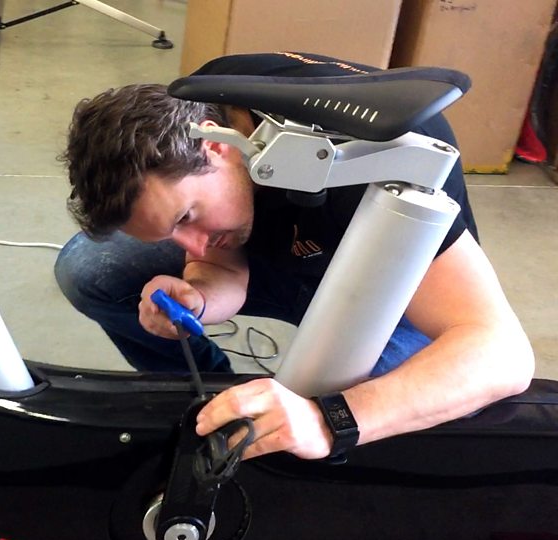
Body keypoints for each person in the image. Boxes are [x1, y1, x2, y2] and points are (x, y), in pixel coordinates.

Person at [54, 52, 534, 461]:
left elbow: (502, 355)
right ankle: (220, 398)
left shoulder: (372, 167)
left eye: (185, 218)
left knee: (369, 422)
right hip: (297, 256)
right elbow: (220, 262)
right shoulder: (208, 100)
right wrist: (197, 296)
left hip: (387, 292)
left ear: (216, 146)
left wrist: (328, 420)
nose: (191, 247)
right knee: (90, 269)